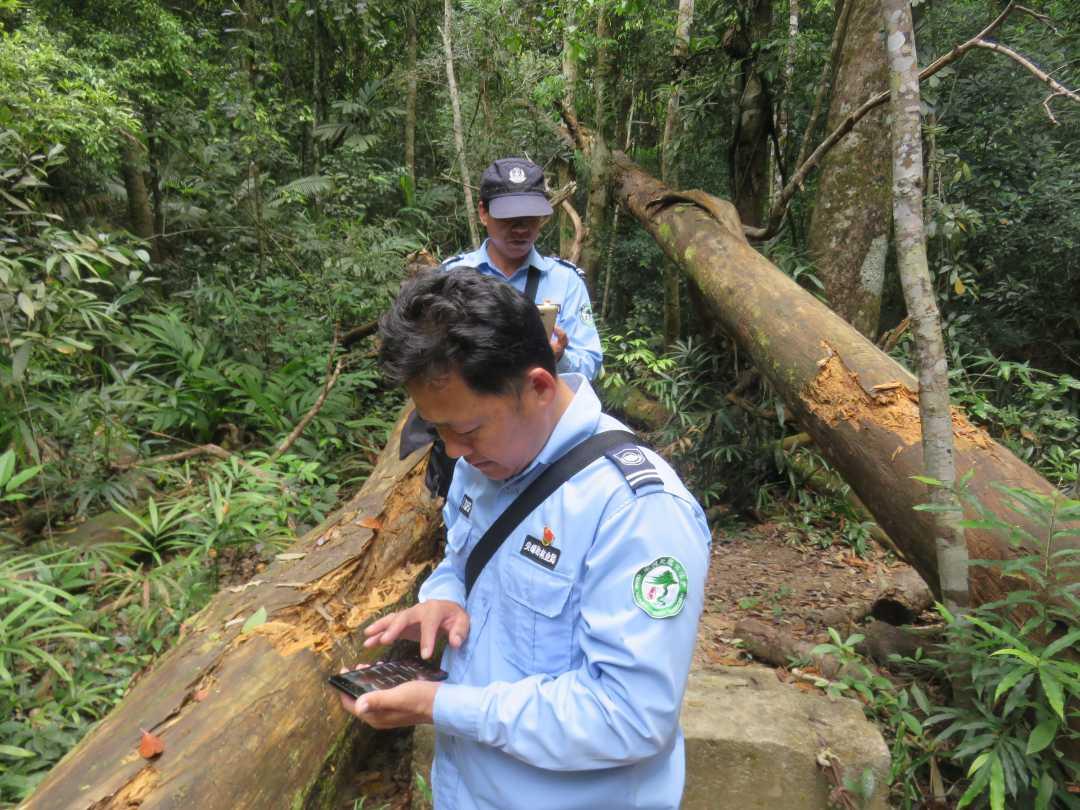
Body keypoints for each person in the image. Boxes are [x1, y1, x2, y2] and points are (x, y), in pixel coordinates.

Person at [338, 269, 710, 810]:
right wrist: (445, 595)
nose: (453, 451)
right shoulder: (483, 459)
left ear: (537, 386)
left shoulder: (636, 511)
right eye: (437, 430)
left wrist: (441, 706)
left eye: (465, 431)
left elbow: (629, 715)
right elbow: (464, 557)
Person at [441, 156, 602, 381]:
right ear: (483, 213)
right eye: (509, 217)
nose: (520, 229)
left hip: (538, 412)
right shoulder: (453, 276)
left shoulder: (565, 281)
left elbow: (590, 363)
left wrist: (557, 358)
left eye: (529, 218)